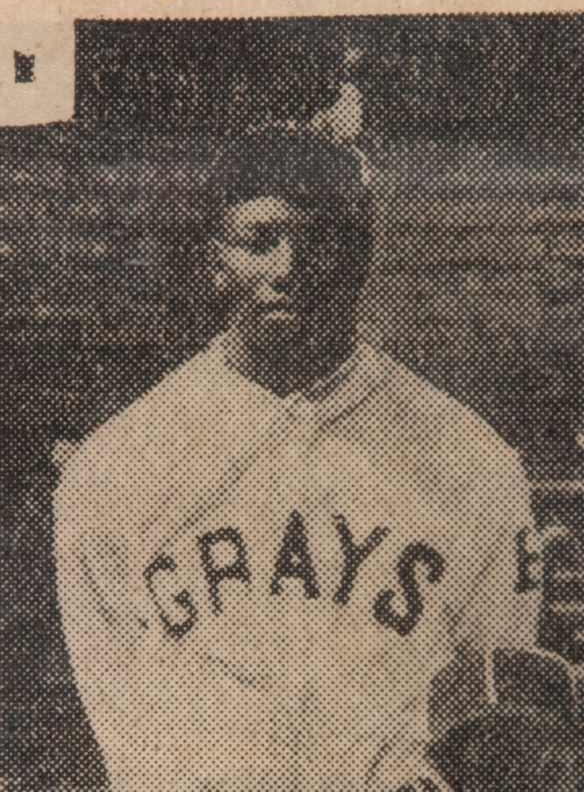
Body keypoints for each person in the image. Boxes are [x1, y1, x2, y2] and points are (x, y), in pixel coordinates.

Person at [54, 126, 541, 792]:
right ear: (213, 260)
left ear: (363, 256)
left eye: (320, 240)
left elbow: (489, 707)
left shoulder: (473, 463)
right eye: (258, 241)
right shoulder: (117, 468)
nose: (287, 269)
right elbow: (118, 714)